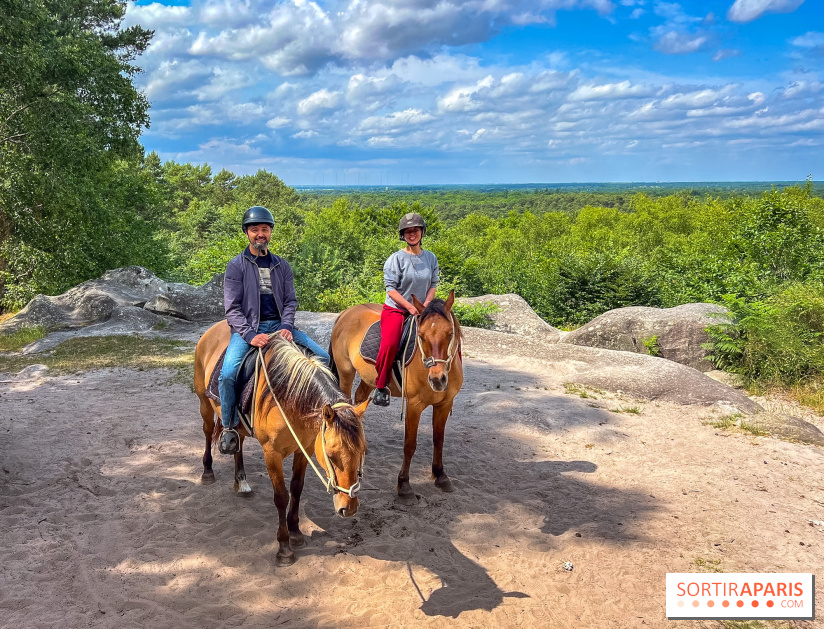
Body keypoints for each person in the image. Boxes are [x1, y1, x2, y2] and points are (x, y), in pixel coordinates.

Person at [218, 205, 330, 454]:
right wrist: (249, 334)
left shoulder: (282, 266)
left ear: (270, 233)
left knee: (324, 357)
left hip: (280, 327)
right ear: (247, 233)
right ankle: (228, 426)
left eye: (265, 229)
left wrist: (287, 326)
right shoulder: (236, 266)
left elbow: (290, 301)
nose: (260, 234)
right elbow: (232, 308)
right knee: (227, 375)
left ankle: (319, 415)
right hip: (249, 329)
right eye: (255, 229)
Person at [373, 212, 439, 407]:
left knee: (443, 336)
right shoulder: (396, 259)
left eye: (415, 230)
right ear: (403, 235)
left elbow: (433, 284)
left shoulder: (431, 258)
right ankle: (381, 386)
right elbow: (390, 289)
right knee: (391, 343)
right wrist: (410, 307)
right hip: (397, 309)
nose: (412, 234)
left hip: (423, 309)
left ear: (422, 232)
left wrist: (425, 305)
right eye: (408, 231)